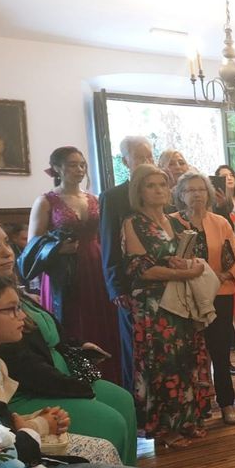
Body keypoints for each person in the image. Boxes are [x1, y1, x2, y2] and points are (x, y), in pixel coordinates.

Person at [0, 274, 195, 468]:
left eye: (20, 306)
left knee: (121, 399)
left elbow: (56, 333)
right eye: (11, 309)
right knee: (108, 425)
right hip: (22, 458)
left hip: (30, 433)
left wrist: (79, 347)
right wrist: (37, 425)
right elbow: (4, 450)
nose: (21, 315)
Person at [0, 217, 137, 466]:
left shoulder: (12, 290)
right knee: (110, 420)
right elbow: (26, 368)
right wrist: (78, 388)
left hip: (55, 377)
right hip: (29, 391)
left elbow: (51, 331)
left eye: (6, 242)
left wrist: (77, 346)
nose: (7, 252)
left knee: (123, 399)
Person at [122, 164, 211, 448]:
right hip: (153, 306)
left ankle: (187, 420)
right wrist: (184, 273)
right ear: (139, 191)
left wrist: (188, 265)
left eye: (162, 184)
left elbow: (189, 256)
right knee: (163, 363)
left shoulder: (173, 222)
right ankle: (165, 429)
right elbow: (141, 270)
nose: (159, 190)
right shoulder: (133, 222)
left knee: (186, 359)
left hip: (180, 301)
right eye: (151, 185)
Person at [27, 146, 121, 384]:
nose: (79, 169)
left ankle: (110, 378)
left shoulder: (94, 199)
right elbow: (33, 244)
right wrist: (59, 248)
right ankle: (77, 379)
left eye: (82, 165)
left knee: (102, 317)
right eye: (72, 164)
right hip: (64, 270)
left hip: (97, 264)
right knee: (72, 320)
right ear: (57, 168)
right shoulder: (46, 201)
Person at [169, 171, 235, 425]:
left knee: (220, 352)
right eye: (190, 190)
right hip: (185, 296)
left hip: (219, 294)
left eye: (201, 189)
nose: (197, 194)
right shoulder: (171, 223)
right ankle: (195, 409)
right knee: (189, 355)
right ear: (181, 195)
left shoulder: (220, 222)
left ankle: (226, 404)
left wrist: (225, 275)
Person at [99, 135, 154, 392]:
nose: (147, 162)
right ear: (126, 161)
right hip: (129, 285)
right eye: (140, 157)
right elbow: (108, 244)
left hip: (161, 282)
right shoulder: (113, 197)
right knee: (134, 347)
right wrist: (115, 287)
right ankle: (138, 409)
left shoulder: (161, 192)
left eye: (150, 156)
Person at [214, 164, 235, 372]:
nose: (228, 178)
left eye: (230, 175)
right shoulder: (217, 206)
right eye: (222, 176)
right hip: (228, 257)